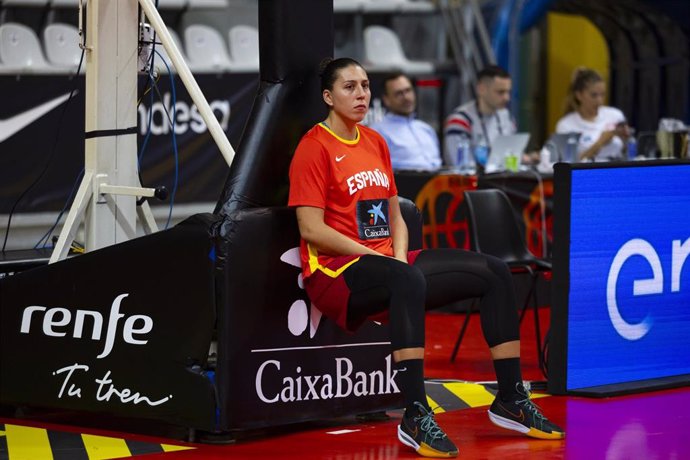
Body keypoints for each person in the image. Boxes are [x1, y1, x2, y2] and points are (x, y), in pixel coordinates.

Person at [288, 57, 565, 458]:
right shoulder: (313, 147)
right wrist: (379, 259)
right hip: (335, 273)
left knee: (495, 272)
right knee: (406, 279)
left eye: (365, 85)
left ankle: (510, 399)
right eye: (349, 87)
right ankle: (415, 413)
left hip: (388, 262)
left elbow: (395, 213)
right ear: (328, 97)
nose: (361, 93)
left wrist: (397, 257)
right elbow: (311, 229)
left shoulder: (375, 142)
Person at [444, 65, 531, 166]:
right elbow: (461, 165)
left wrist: (526, 158)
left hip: (503, 178)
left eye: (508, 92)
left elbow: (512, 156)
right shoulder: (460, 121)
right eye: (500, 92)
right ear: (481, 89)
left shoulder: (506, 117)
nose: (507, 98)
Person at [370, 72, 442, 171]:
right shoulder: (377, 132)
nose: (406, 97)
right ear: (386, 100)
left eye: (408, 90)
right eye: (399, 94)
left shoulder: (426, 129)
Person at [555, 67, 629, 162]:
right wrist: (600, 143)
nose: (600, 101)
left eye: (603, 95)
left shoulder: (615, 115)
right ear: (579, 95)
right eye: (594, 95)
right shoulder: (566, 125)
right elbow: (567, 164)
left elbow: (627, 153)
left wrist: (626, 140)